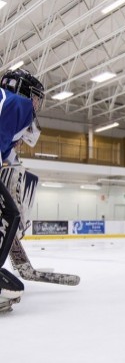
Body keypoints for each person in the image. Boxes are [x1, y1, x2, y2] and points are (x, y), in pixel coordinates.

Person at [0, 68, 45, 310]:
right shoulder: (19, 105)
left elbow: (8, 153)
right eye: (36, 98)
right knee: (11, 215)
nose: (36, 105)